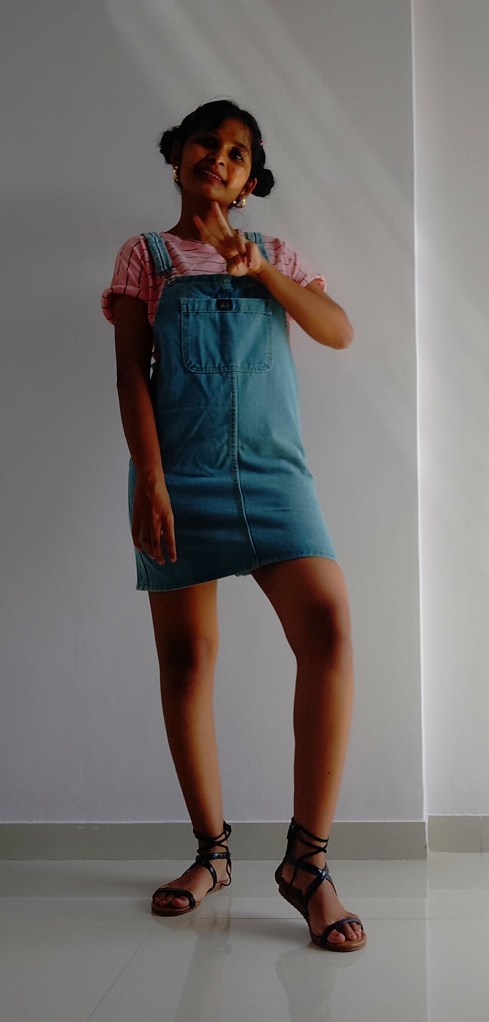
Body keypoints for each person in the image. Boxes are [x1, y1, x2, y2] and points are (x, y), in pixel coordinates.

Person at [102, 99, 366, 952]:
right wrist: (150, 480)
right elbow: (130, 375)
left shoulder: (274, 253)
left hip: (273, 476)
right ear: (178, 156)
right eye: (206, 143)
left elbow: (336, 331)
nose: (219, 156)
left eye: (238, 152)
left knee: (327, 629)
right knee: (186, 661)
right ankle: (211, 855)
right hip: (179, 476)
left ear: (251, 182)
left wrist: (255, 270)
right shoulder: (144, 256)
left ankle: (307, 865)